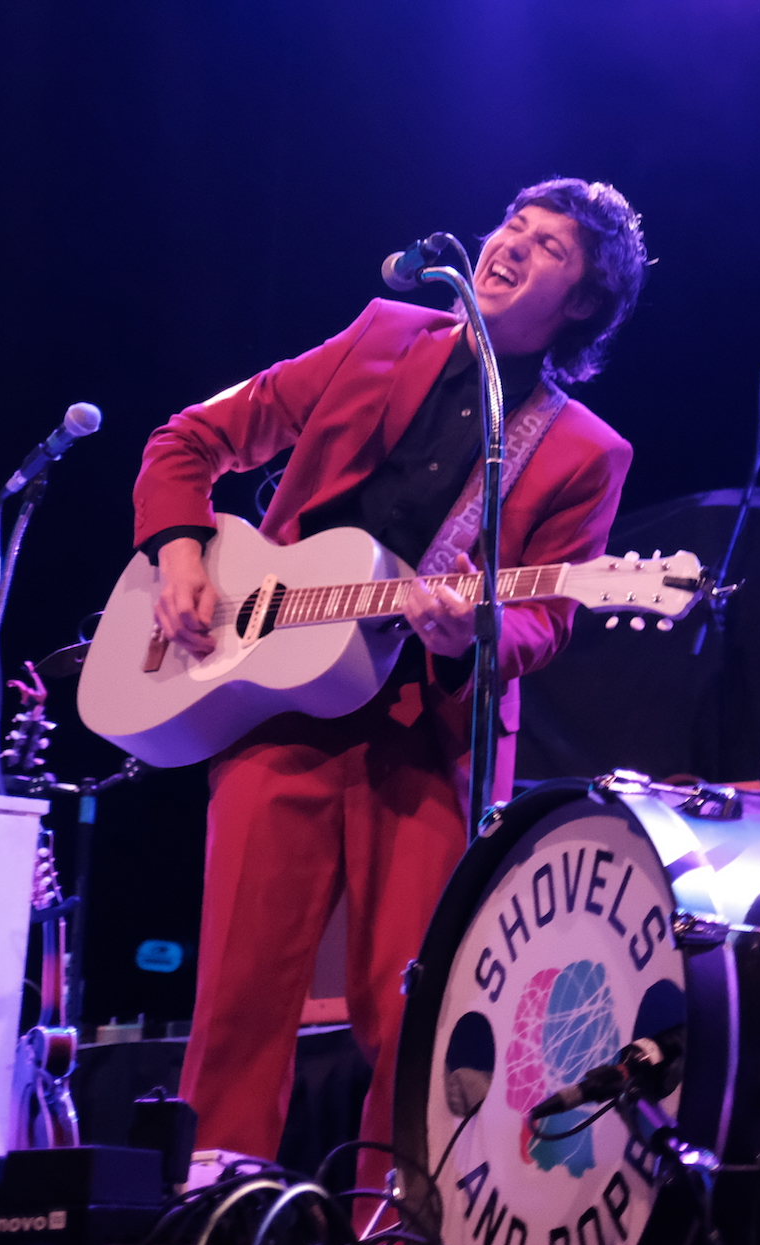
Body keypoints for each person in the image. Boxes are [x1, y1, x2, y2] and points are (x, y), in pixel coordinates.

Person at [130, 177, 647, 1190]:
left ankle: (395, 1238)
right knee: (240, 989)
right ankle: (210, 1226)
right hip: (277, 705)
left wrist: (470, 628)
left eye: (548, 247)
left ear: (583, 302)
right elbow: (188, 439)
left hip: (422, 735)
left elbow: (547, 619)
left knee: (416, 1007)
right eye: (513, 225)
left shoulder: (585, 451)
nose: (511, 245)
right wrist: (180, 548)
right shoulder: (381, 335)